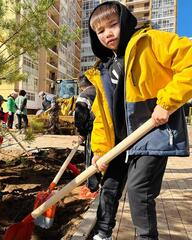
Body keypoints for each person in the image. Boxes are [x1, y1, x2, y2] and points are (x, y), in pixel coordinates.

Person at [86, 2, 192, 240]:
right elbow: (103, 118)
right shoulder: (103, 68)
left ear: (124, 21)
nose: (108, 34)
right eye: (100, 31)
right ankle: (102, 234)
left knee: (138, 191)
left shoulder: (150, 42)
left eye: (113, 25)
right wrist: (100, 151)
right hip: (119, 143)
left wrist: (167, 102)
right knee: (110, 186)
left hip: (152, 133)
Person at [74, 75, 101, 199]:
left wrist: (82, 133)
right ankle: (100, 183)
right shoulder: (100, 90)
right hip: (105, 130)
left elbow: (81, 116)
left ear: (81, 86)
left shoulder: (84, 96)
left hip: (93, 131)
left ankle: (92, 188)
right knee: (101, 158)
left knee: (91, 158)